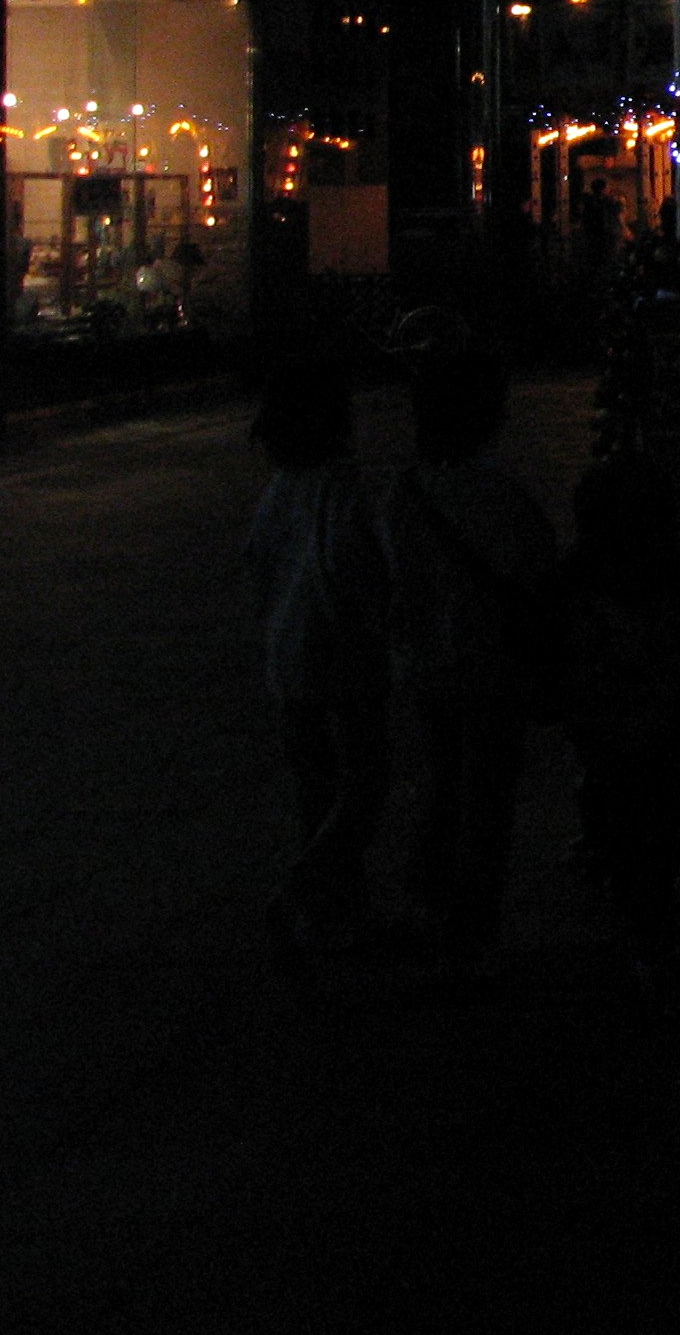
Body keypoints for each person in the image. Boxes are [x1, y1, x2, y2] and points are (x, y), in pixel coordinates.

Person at [382, 334, 558, 976]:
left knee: (441, 784)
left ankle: (426, 907)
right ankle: (471, 927)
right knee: (486, 798)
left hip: (428, 666)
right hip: (490, 666)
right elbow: (540, 575)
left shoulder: (406, 494)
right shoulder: (503, 498)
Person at [555, 454, 680, 993]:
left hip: (597, 717)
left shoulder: (571, 578)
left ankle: (624, 889)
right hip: (669, 720)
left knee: (615, 796)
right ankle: (652, 930)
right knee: (660, 816)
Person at [246, 360, 391, 965]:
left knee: (315, 788)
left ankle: (334, 909)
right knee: (366, 779)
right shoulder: (340, 486)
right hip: (339, 652)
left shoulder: (280, 488)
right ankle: (308, 887)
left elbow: (259, 566)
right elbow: (353, 567)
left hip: (287, 655)